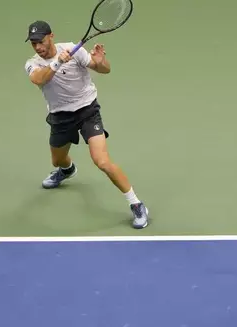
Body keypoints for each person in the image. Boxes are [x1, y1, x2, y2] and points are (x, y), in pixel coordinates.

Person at [23, 20, 149, 229]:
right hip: (60, 117)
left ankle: (136, 204)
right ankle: (67, 170)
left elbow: (105, 70)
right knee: (58, 160)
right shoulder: (33, 63)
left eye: (41, 41)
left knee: (102, 161)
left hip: (87, 110)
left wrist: (100, 62)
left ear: (51, 36)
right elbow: (38, 79)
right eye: (34, 43)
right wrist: (57, 63)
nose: (38, 47)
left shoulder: (74, 50)